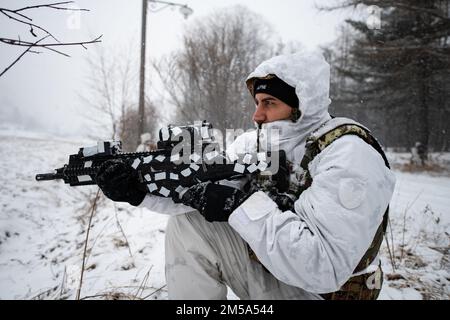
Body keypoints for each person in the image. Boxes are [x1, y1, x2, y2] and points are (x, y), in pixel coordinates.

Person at [96, 51, 396, 300]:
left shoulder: (348, 156)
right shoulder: (259, 143)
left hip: (326, 293)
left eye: (269, 103)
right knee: (188, 224)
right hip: (279, 273)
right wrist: (139, 192)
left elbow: (324, 269)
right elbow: (203, 191)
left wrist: (241, 206)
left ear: (300, 107)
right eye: (257, 103)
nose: (257, 115)